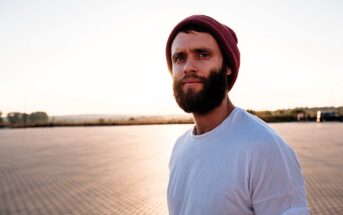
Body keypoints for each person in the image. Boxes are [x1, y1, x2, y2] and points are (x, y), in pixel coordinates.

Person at [165, 15, 309, 215]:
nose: (188, 66)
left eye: (203, 54)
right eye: (179, 58)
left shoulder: (264, 146)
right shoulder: (179, 148)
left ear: (228, 67)